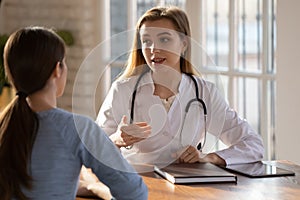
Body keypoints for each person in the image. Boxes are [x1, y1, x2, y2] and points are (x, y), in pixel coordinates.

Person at [96, 6, 264, 167]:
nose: (154, 49)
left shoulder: (205, 92)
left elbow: (253, 144)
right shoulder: (123, 89)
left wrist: (210, 157)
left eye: (164, 39)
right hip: (139, 183)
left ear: (184, 44)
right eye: (147, 41)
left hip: (186, 187)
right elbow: (92, 148)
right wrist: (117, 139)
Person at [0, 26, 148, 200]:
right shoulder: (77, 128)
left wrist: (82, 187)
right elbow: (135, 193)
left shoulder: (5, 126)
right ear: (57, 70)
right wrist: (97, 188)